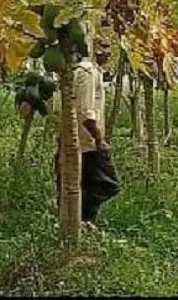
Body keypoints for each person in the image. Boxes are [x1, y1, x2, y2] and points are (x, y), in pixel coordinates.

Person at [54, 44, 121, 232]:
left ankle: (83, 224)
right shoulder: (88, 72)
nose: (106, 52)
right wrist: (99, 140)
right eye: (102, 47)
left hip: (80, 142)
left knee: (84, 184)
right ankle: (79, 219)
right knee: (109, 185)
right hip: (86, 143)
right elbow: (85, 112)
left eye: (108, 47)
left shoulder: (88, 72)